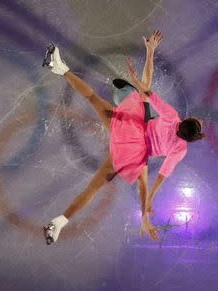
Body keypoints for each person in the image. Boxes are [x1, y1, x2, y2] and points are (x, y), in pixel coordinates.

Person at [44, 30, 205, 244]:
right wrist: (148, 205)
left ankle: (60, 68)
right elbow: (162, 176)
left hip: (131, 127)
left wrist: (148, 56)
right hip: (135, 155)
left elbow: (147, 89)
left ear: (185, 121)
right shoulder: (180, 150)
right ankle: (59, 223)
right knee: (100, 187)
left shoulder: (171, 116)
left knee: (93, 97)